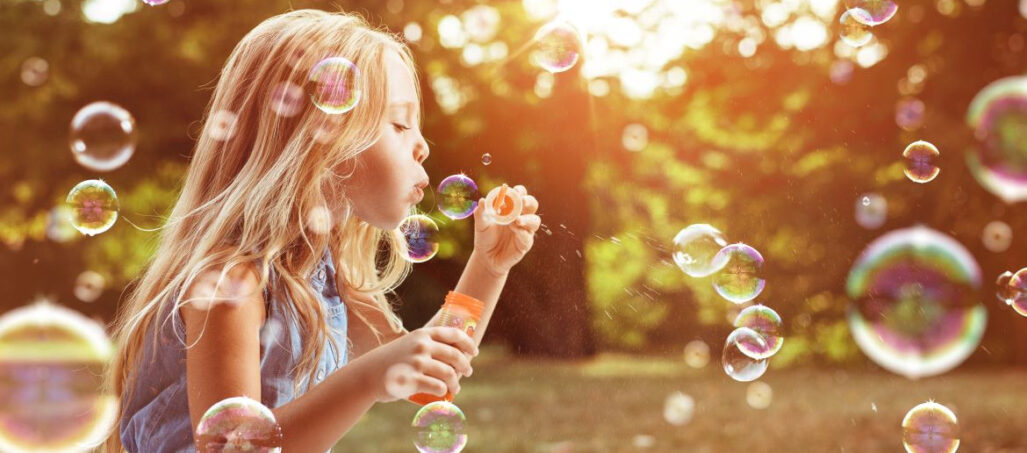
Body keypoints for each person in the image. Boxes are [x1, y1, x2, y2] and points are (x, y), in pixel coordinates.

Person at [101, 9, 540, 452]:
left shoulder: (332, 282)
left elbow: (428, 381)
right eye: (401, 123)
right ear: (321, 138)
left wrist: (488, 267)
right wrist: (368, 377)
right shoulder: (231, 287)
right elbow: (231, 445)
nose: (423, 145)